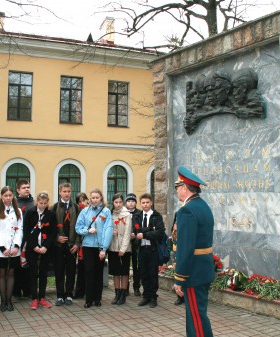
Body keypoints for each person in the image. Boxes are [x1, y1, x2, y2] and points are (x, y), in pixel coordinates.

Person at [173, 166, 215, 337]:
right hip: (203, 270)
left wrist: (179, 278)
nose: (177, 191)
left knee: (196, 318)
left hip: (193, 273)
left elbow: (186, 247)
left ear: (184, 188)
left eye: (178, 187)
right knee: (199, 315)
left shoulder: (187, 210)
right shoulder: (203, 205)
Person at [75, 188, 113, 308]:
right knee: (89, 271)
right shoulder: (85, 211)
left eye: (97, 197)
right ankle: (88, 299)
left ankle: (98, 298)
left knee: (98, 273)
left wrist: (103, 248)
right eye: (93, 198)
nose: (95, 200)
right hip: (88, 246)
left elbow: (108, 230)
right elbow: (78, 227)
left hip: (100, 246)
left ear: (101, 198)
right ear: (90, 199)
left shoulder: (106, 211)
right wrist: (87, 230)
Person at [24, 192, 57, 309]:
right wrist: (34, 246)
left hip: (45, 249)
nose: (42, 205)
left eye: (45, 203)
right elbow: (26, 231)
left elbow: (53, 233)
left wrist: (45, 247)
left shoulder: (51, 215)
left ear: (47, 203)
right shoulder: (30, 213)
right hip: (32, 248)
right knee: (33, 273)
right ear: (37, 202)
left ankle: (42, 297)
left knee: (43, 272)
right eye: (40, 203)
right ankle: (34, 298)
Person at [132, 193, 164, 308]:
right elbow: (136, 230)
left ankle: (153, 297)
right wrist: (150, 229)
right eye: (143, 203)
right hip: (141, 249)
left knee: (153, 274)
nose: (145, 205)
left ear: (151, 203)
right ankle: (146, 295)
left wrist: (144, 234)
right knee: (144, 273)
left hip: (153, 249)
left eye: (147, 202)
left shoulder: (156, 216)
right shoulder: (137, 216)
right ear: (140, 204)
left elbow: (160, 232)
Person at [51, 182, 80, 306]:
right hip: (58, 246)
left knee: (71, 270)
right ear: (60, 192)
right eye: (64, 191)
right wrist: (57, 237)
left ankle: (68, 294)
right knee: (59, 270)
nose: (67, 193)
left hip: (71, 245)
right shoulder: (55, 207)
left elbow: (79, 227)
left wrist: (77, 243)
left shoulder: (76, 208)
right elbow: (51, 227)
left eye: (69, 191)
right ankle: (59, 295)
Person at [0, 186, 23, 312]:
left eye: (10, 195)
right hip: (1, 249)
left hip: (14, 248)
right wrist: (2, 248)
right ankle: (3, 301)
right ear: (2, 197)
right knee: (2, 273)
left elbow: (20, 230)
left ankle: (9, 301)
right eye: (5, 196)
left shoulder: (17, 210)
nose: (8, 198)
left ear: (13, 196)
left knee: (11, 273)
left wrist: (16, 246)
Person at [108, 193, 132, 305]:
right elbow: (106, 228)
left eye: (120, 202)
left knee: (124, 272)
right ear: (113, 203)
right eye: (116, 202)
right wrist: (111, 232)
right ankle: (117, 294)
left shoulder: (127, 215)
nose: (118, 204)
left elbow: (127, 233)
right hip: (113, 247)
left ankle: (123, 294)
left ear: (123, 203)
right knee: (115, 272)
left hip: (124, 249)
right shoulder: (110, 214)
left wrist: (123, 248)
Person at [13, 179, 34, 299]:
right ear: (18, 190)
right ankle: (16, 291)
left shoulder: (33, 203)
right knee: (17, 266)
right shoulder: (14, 204)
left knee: (28, 266)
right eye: (24, 187)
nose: (27, 189)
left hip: (30, 240)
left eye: (28, 187)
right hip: (17, 240)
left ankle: (28, 290)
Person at [125, 193, 141, 297]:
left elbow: (140, 226)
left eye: (133, 201)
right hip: (125, 244)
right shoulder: (123, 212)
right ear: (126, 203)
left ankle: (136, 287)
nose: (131, 203)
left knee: (136, 266)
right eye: (129, 201)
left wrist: (135, 234)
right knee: (125, 266)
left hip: (136, 243)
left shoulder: (140, 213)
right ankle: (125, 287)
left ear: (135, 203)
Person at [73, 192, 89, 299]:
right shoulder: (78, 212)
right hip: (81, 243)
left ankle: (88, 291)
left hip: (91, 243)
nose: (83, 203)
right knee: (82, 268)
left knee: (89, 269)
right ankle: (79, 291)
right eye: (80, 201)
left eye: (84, 200)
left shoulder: (92, 211)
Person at [171, 212, 184, 306]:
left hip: (184, 252)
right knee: (177, 273)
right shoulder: (174, 228)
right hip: (177, 252)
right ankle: (179, 297)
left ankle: (185, 296)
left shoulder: (186, 226)